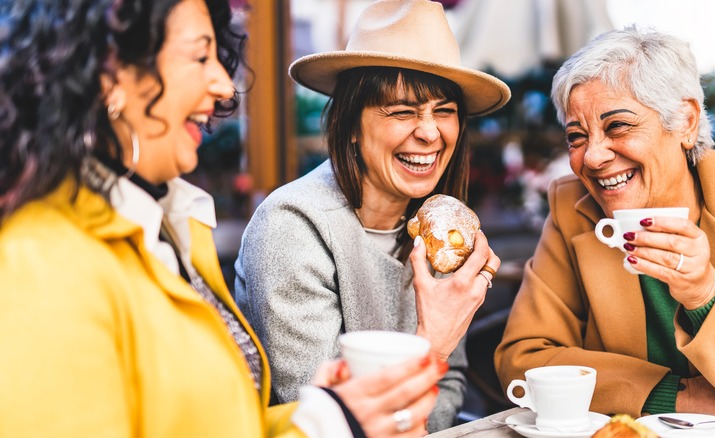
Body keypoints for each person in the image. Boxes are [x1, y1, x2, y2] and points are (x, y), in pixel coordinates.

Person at [0, 0, 449, 436]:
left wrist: (328, 413)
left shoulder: (169, 227)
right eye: (200, 56)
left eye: (219, 55)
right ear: (109, 75)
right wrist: (334, 424)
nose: (223, 85)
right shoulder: (40, 264)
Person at [234, 0, 509, 431]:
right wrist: (433, 343)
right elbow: (323, 416)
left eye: (445, 110)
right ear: (351, 124)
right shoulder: (291, 226)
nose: (430, 132)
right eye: (402, 111)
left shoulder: (436, 232)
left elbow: (452, 385)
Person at [495, 25, 715, 425]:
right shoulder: (571, 205)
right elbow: (523, 359)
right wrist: (673, 396)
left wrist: (705, 294)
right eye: (576, 136)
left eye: (618, 126)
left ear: (685, 122)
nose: (592, 158)